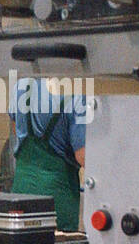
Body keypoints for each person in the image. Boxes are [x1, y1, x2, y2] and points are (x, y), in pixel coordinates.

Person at [8, 76, 87, 231]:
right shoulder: (78, 95)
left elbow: (16, 129)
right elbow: (83, 156)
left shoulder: (22, 85)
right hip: (56, 201)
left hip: (20, 195)